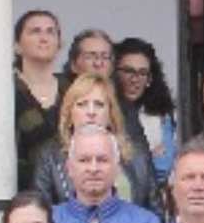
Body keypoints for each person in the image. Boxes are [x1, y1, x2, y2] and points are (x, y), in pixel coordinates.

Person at [33, 73, 158, 207]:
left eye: (99, 104)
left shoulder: (137, 155)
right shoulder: (50, 156)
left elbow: (155, 214)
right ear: (69, 114)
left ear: (111, 114)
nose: (91, 112)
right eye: (82, 104)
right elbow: (41, 214)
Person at [13, 9, 65, 190]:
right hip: (19, 191)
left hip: (67, 192)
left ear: (59, 43)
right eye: (35, 31)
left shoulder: (73, 90)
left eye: (51, 31)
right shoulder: (5, 91)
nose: (44, 38)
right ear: (17, 46)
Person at [114, 37, 179, 178]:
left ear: (150, 80)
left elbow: (162, 166)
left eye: (142, 73)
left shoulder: (162, 115)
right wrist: (149, 155)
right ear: (114, 73)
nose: (135, 79)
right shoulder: (99, 111)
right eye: (128, 71)